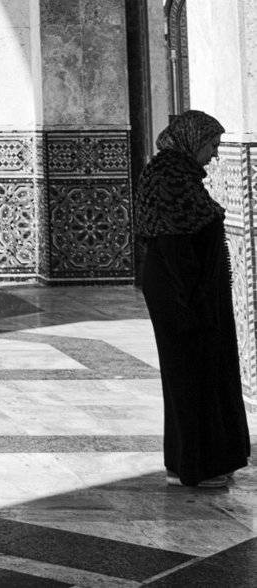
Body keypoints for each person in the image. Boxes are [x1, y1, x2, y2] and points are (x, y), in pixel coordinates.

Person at [134, 110, 250, 488]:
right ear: (192, 140)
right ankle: (197, 467)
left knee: (192, 375)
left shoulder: (176, 174)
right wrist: (192, 306)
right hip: (180, 293)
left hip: (184, 291)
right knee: (192, 376)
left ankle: (189, 462)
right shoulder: (171, 179)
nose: (214, 154)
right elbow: (175, 246)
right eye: (211, 145)